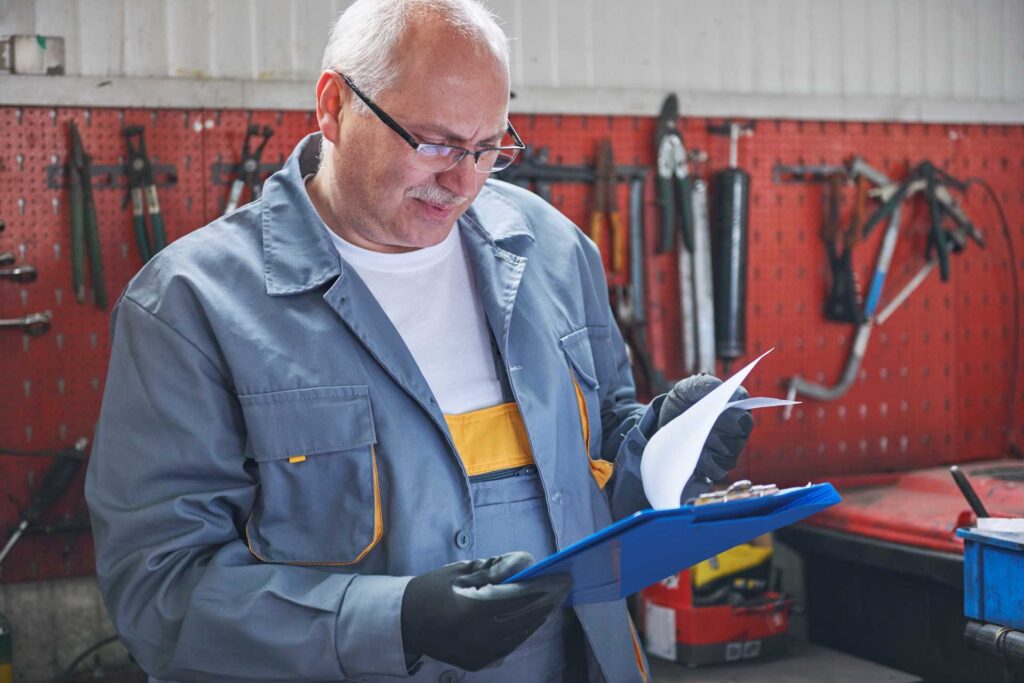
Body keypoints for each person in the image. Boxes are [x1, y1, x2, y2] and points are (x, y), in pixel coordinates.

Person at [85, 1, 753, 680]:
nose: (462, 181)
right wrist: (394, 621)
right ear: (334, 106)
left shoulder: (552, 252)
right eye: (434, 143)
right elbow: (160, 592)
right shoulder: (190, 307)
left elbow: (592, 479)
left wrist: (664, 446)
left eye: (488, 147)